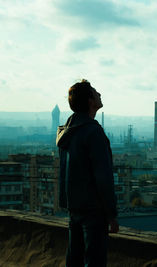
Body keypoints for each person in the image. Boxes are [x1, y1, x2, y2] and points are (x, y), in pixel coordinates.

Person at [56, 79, 119, 267]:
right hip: (93, 210)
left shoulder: (67, 132)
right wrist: (111, 214)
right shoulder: (93, 133)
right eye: (95, 91)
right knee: (95, 260)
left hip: (74, 208)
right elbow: (103, 177)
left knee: (74, 259)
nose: (99, 93)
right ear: (90, 101)